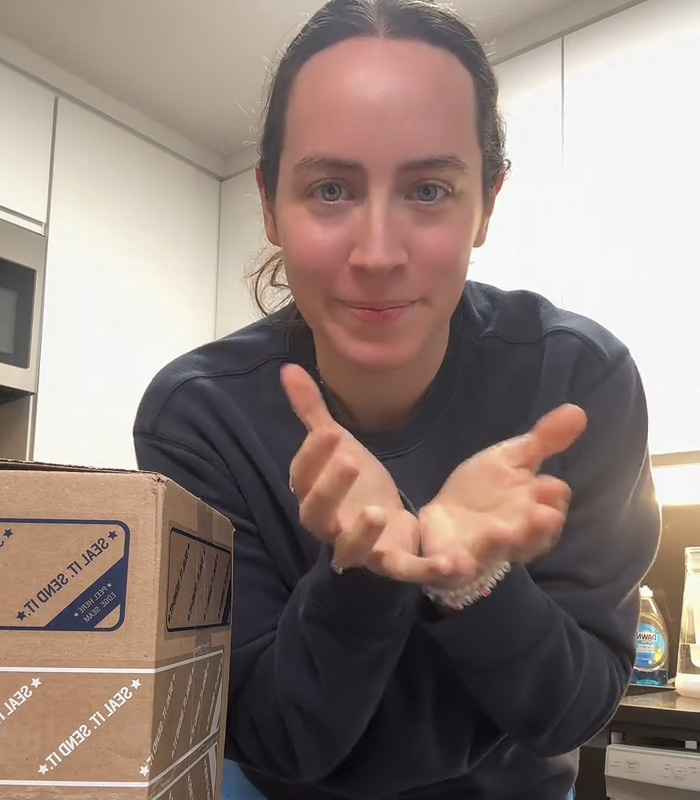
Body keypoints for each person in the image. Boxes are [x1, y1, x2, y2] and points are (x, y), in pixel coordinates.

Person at [133, 0, 661, 798]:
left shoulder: (578, 382)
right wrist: (361, 573)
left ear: (487, 202)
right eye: (332, 188)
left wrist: (472, 578)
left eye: (428, 190)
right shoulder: (199, 417)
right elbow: (266, 730)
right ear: (270, 202)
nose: (377, 254)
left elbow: (573, 711)